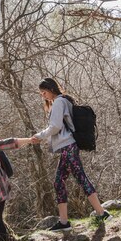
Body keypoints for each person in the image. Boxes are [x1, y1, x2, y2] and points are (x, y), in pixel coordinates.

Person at [33, 78, 111, 232]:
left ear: (51, 89)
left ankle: (102, 213)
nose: (43, 96)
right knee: (58, 182)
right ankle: (64, 222)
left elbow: (55, 126)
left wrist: (40, 136)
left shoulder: (59, 102)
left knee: (81, 178)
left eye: (44, 92)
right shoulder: (62, 101)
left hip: (68, 146)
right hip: (66, 147)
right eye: (41, 93)